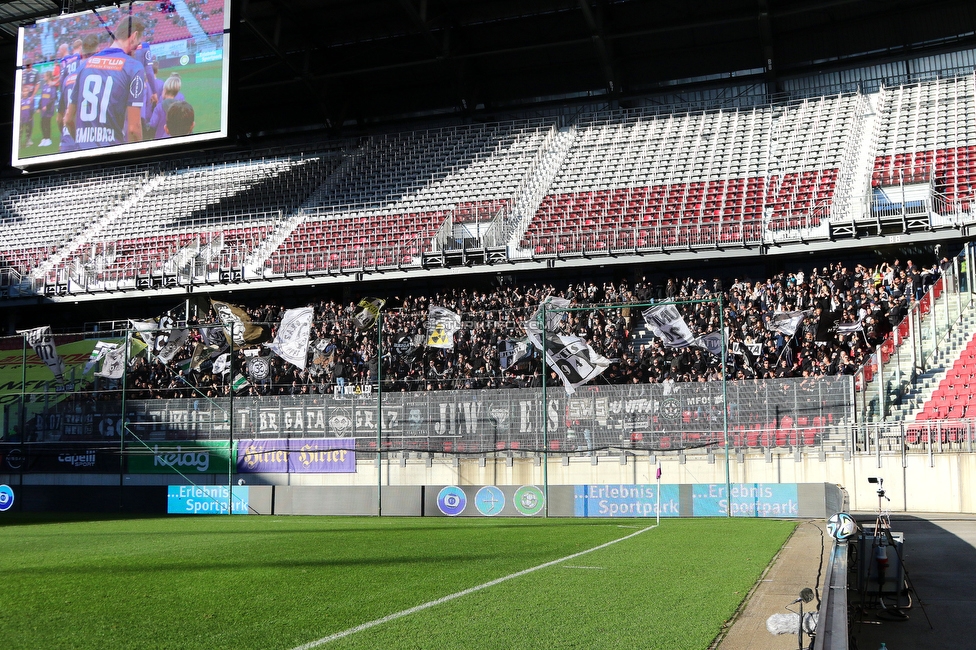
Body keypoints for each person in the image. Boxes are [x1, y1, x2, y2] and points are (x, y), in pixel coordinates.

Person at [64, 16, 147, 149]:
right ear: (134, 36)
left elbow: (68, 120)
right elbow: (133, 129)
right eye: (138, 43)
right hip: (112, 154)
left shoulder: (84, 66)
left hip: (83, 155)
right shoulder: (133, 67)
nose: (137, 48)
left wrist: (81, 144)